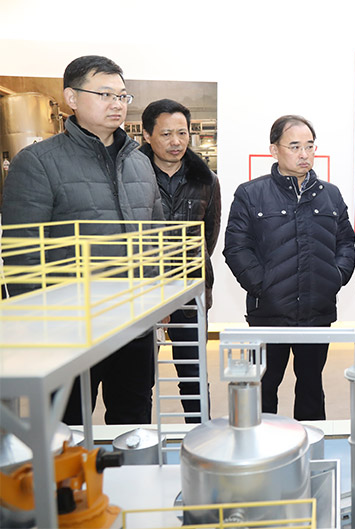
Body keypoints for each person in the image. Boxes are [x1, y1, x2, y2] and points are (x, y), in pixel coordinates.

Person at [2, 55, 164, 425]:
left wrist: (155, 300)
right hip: (69, 327)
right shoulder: (38, 162)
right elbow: (22, 253)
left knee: (133, 420)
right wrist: (41, 322)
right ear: (71, 98)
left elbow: (155, 237)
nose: (117, 104)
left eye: (122, 96)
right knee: (68, 426)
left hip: (133, 324)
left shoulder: (139, 162)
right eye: (105, 94)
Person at [223, 115, 355, 421]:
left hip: (316, 313)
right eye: (294, 146)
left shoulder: (330, 194)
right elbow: (237, 248)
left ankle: (310, 444)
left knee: (311, 388)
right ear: (274, 150)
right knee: (264, 388)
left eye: (309, 146)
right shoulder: (250, 193)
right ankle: (262, 446)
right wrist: (263, 286)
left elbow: (346, 242)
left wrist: (334, 278)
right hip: (269, 314)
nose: (304, 154)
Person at [141, 99, 221, 423]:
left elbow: (209, 236)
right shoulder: (132, 177)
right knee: (139, 377)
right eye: (166, 134)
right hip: (141, 291)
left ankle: (201, 439)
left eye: (182, 133)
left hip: (190, 292)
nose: (176, 142)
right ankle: (140, 441)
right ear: (147, 135)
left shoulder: (206, 180)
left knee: (194, 376)